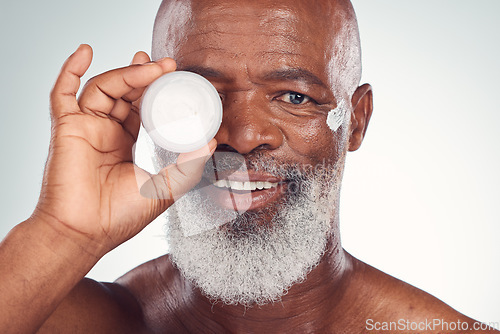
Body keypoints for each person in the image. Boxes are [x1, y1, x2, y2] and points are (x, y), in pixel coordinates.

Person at [0, 0, 497, 333]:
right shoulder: (60, 316)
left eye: (294, 96)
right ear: (152, 110)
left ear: (356, 122)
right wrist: (63, 233)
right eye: (205, 95)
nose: (240, 135)